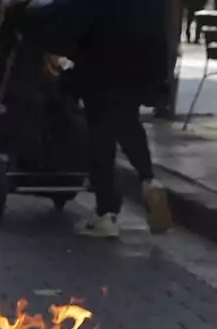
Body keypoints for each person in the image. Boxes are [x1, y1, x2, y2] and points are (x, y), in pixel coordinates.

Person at [62, 0, 173, 238]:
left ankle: (106, 214)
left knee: (100, 139)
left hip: (101, 63)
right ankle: (149, 180)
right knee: (127, 122)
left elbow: (78, 20)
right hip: (139, 65)